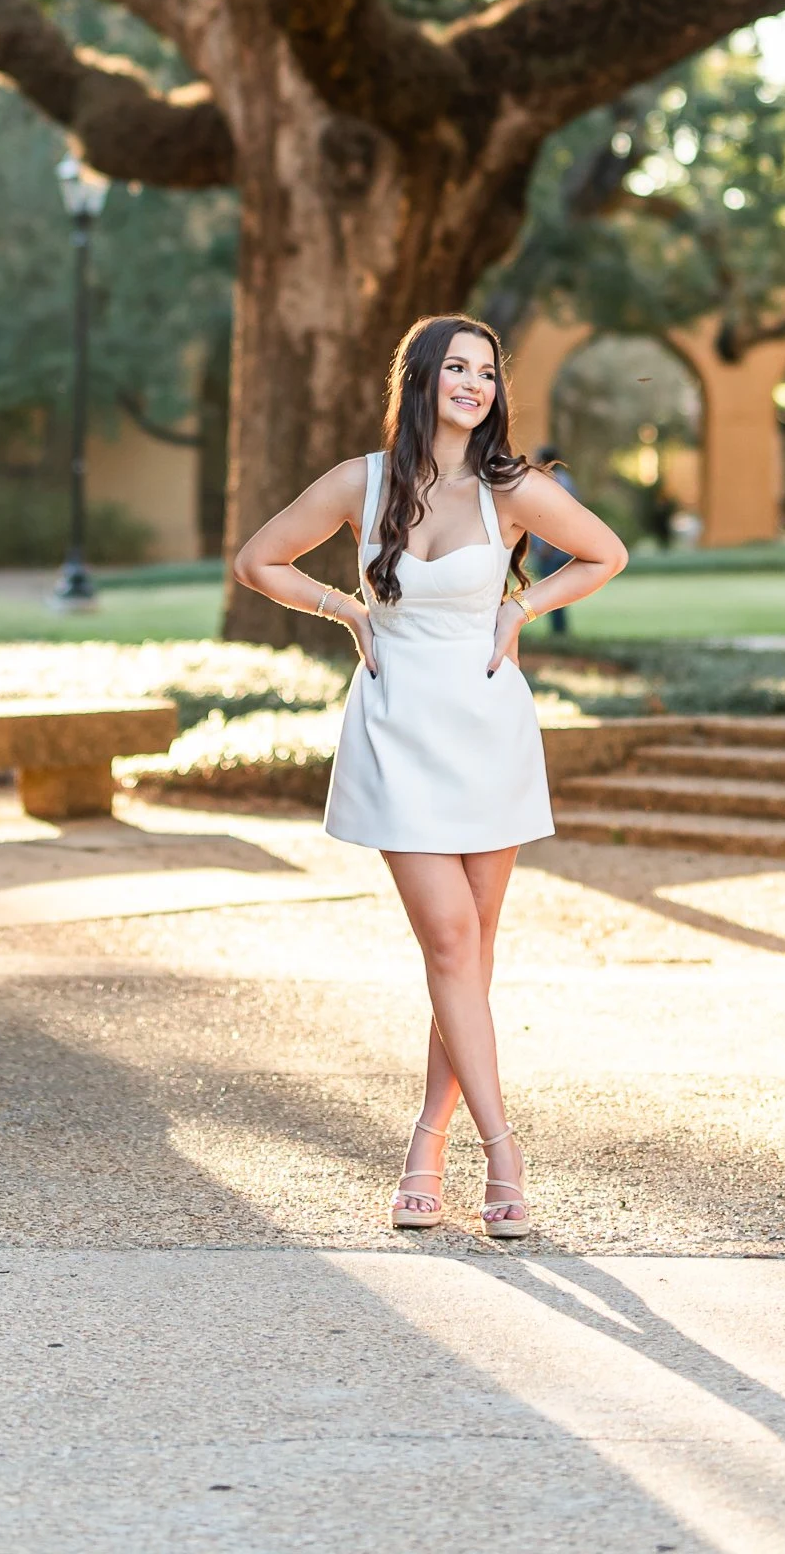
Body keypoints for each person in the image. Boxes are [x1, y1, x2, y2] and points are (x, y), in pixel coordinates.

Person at [234, 313, 626, 1240]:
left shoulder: (513, 488)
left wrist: (520, 608)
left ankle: (425, 1145)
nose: (474, 385)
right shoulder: (357, 484)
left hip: (488, 726)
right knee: (450, 944)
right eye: (457, 367)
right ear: (420, 379)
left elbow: (606, 554)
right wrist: (347, 612)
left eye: (486, 372)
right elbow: (257, 562)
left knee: (469, 959)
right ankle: (504, 1152)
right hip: (397, 724)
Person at [527, 444, 577, 635]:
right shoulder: (565, 480)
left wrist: (547, 546)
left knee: (552, 592)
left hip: (553, 550)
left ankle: (559, 631)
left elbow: (558, 517)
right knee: (555, 592)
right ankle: (559, 630)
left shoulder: (556, 482)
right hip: (555, 548)